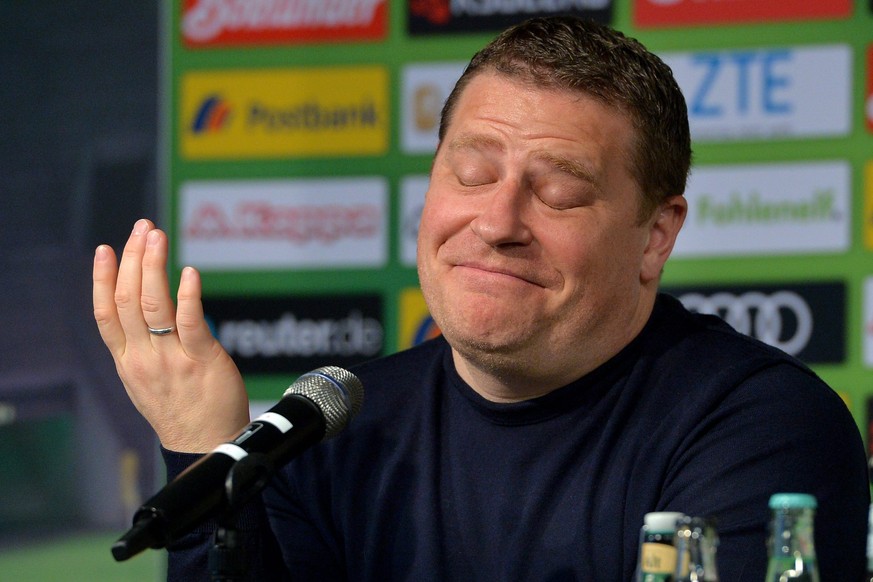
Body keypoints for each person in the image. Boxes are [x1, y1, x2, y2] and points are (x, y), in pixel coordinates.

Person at [92, 16, 869, 581]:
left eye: (559, 191)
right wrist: (203, 446)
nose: (496, 222)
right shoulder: (327, 430)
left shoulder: (758, 428)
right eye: (470, 173)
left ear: (655, 235)